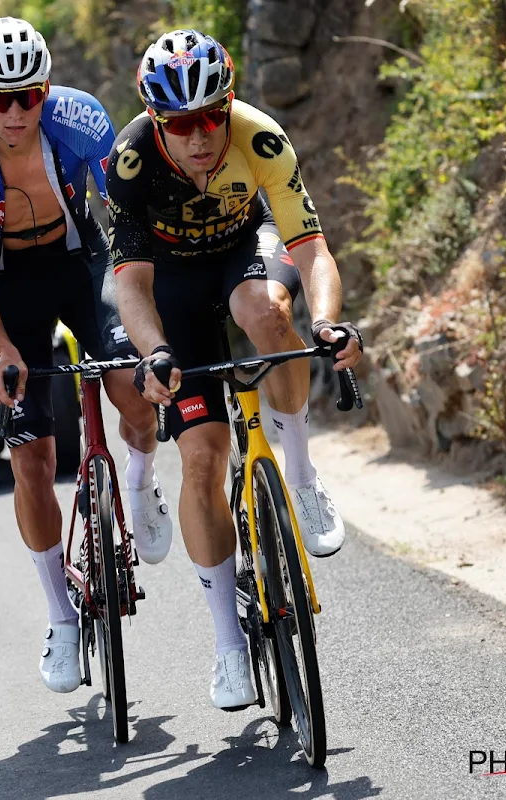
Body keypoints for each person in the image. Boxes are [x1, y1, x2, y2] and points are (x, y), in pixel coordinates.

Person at [108, 30, 364, 709]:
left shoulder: (262, 139)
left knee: (265, 310)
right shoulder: (131, 162)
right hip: (172, 288)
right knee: (199, 460)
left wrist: (330, 321)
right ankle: (227, 645)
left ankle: (302, 477)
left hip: (243, 252)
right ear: (159, 121)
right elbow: (131, 286)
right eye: (181, 123)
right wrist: (154, 352)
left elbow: (311, 250)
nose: (199, 136)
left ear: (229, 106)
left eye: (210, 117)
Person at [0, 17, 171, 694]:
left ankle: (144, 486)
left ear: (46, 90)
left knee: (131, 384)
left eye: (26, 96)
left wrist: (141, 299)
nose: (13, 112)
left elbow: (126, 221)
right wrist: (0, 348)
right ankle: (61, 618)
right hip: (1, 283)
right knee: (30, 455)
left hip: (79, 261)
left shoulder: (83, 121)